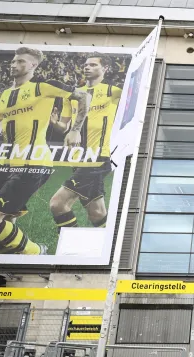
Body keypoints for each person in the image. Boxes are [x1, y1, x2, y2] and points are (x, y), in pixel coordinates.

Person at [0, 46, 91, 255]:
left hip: (34, 163)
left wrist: (75, 130)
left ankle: (36, 252)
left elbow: (84, 97)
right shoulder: (3, 95)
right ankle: (6, 266)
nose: (14, 65)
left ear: (33, 65)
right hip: (6, 165)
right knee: (3, 223)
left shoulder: (43, 87)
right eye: (13, 61)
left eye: (21, 61)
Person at [49, 53, 122, 232]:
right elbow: (65, 126)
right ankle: (109, 245)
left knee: (57, 204)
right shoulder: (73, 95)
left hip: (99, 157)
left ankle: (72, 248)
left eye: (93, 65)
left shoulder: (114, 91)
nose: (87, 67)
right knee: (96, 212)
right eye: (86, 65)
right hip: (78, 159)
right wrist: (54, 123)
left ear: (105, 68)